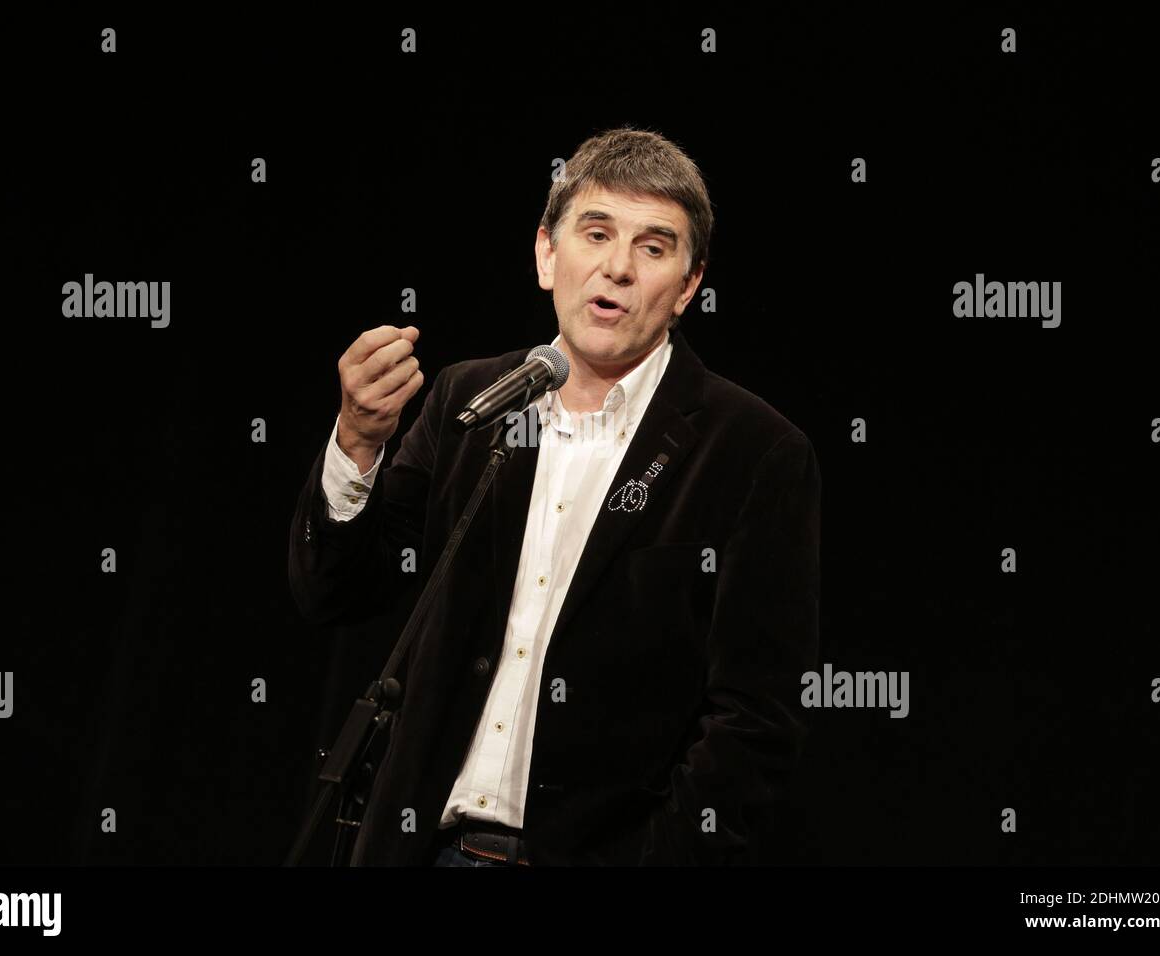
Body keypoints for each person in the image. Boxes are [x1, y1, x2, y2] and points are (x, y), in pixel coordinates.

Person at [288, 126, 821, 866]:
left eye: (654, 247)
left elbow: (754, 716)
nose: (617, 268)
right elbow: (339, 593)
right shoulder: (468, 401)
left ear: (689, 286)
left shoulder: (753, 451)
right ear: (546, 254)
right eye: (595, 232)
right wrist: (357, 444)